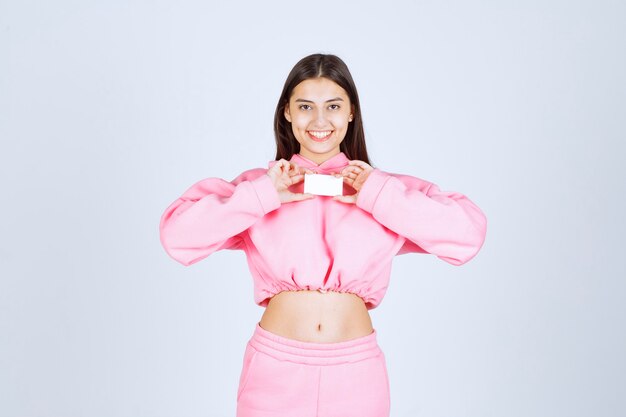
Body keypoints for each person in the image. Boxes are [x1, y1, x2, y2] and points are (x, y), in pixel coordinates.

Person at [159, 53, 487, 417]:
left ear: (351, 112)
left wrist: (378, 194)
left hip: (356, 377)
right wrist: (262, 195)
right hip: (275, 375)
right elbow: (176, 235)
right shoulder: (261, 188)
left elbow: (468, 234)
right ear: (287, 112)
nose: (319, 120)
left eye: (333, 106)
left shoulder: (383, 193)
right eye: (305, 106)